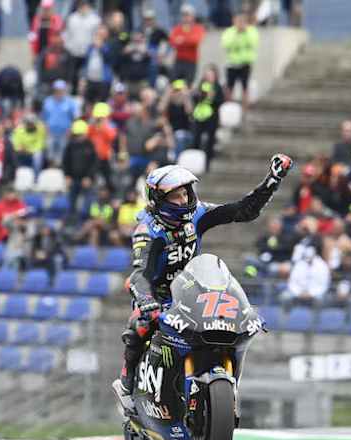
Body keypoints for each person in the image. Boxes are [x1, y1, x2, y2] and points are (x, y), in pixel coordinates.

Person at [113, 153, 295, 409]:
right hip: (158, 297)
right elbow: (140, 273)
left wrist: (272, 180)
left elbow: (244, 210)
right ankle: (127, 385)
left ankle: (223, 387)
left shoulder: (197, 214)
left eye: (185, 193)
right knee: (138, 326)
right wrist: (146, 301)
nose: (183, 200)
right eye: (176, 196)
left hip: (191, 292)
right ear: (159, 199)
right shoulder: (148, 231)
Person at [221, 13, 259, 114]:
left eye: (242, 21)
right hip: (232, 64)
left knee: (245, 88)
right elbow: (226, 45)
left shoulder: (251, 31)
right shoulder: (229, 32)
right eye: (238, 21)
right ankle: (229, 110)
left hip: (245, 63)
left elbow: (253, 43)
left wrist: (245, 32)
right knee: (229, 87)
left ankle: (244, 111)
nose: (240, 23)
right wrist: (237, 34)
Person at [169, 3, 205, 85]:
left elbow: (195, 41)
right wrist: (186, 40)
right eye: (183, 15)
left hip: (191, 62)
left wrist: (182, 40)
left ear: (193, 16)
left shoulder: (198, 28)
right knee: (175, 85)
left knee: (188, 85)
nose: (185, 18)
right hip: (179, 61)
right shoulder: (177, 28)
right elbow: (172, 41)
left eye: (187, 15)